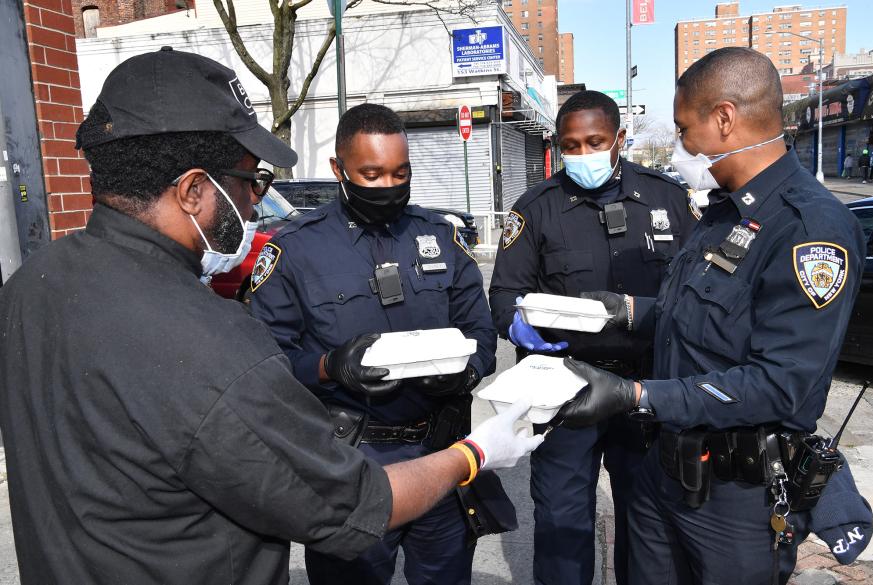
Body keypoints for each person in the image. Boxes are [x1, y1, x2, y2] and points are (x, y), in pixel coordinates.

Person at [0, 48, 542, 585]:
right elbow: (349, 504)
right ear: (194, 191)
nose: (255, 202)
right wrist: (476, 453)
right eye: (249, 181)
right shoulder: (213, 341)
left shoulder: (30, 287)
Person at [555, 47, 865, 584]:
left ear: (724, 118)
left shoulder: (809, 230)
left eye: (682, 129)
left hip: (735, 500)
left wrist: (637, 396)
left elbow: (779, 385)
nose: (679, 147)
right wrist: (625, 312)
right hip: (665, 470)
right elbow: (698, 317)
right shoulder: (723, 212)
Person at [249, 103, 500, 585]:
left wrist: (465, 371)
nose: (388, 186)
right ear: (338, 170)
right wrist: (329, 366)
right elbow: (266, 361)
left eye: (399, 173)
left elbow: (481, 334)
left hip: (441, 452)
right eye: (372, 174)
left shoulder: (440, 236)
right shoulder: (294, 249)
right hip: (352, 463)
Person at [488, 90, 696, 585]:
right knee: (562, 520)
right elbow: (502, 297)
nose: (583, 155)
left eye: (595, 142)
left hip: (647, 390)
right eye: (572, 145)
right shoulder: (536, 208)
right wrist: (522, 328)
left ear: (619, 138)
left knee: (647, 520)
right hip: (565, 388)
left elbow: (697, 295)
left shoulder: (667, 198)